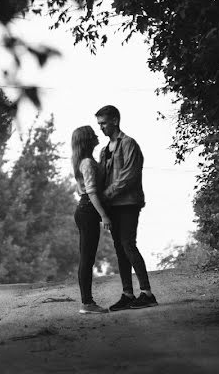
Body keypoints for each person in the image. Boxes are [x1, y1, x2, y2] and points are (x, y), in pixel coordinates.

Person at [95, 105, 158, 310]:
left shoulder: (130, 144)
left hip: (129, 203)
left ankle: (147, 293)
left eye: (103, 123)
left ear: (114, 120)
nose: (101, 128)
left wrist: (105, 195)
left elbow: (129, 177)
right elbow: (101, 178)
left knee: (128, 244)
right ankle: (127, 294)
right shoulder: (104, 150)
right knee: (120, 249)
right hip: (112, 206)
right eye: (99, 124)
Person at [70, 125, 112, 314]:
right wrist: (103, 215)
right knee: (86, 258)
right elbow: (92, 192)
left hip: (86, 210)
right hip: (88, 210)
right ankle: (87, 303)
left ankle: (87, 302)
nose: (97, 135)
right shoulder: (87, 162)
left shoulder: (87, 161)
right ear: (87, 140)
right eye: (93, 134)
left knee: (88, 257)